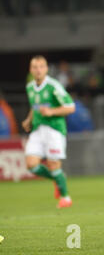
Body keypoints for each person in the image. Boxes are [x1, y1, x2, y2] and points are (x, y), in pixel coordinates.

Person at [22, 56, 75, 209]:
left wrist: (51, 111)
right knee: (31, 164)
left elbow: (71, 106)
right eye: (35, 67)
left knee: (53, 164)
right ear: (31, 70)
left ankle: (66, 198)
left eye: (41, 67)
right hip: (38, 130)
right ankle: (56, 179)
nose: (38, 70)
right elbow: (35, 106)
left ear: (46, 69)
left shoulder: (53, 86)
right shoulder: (30, 87)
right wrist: (28, 120)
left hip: (54, 130)